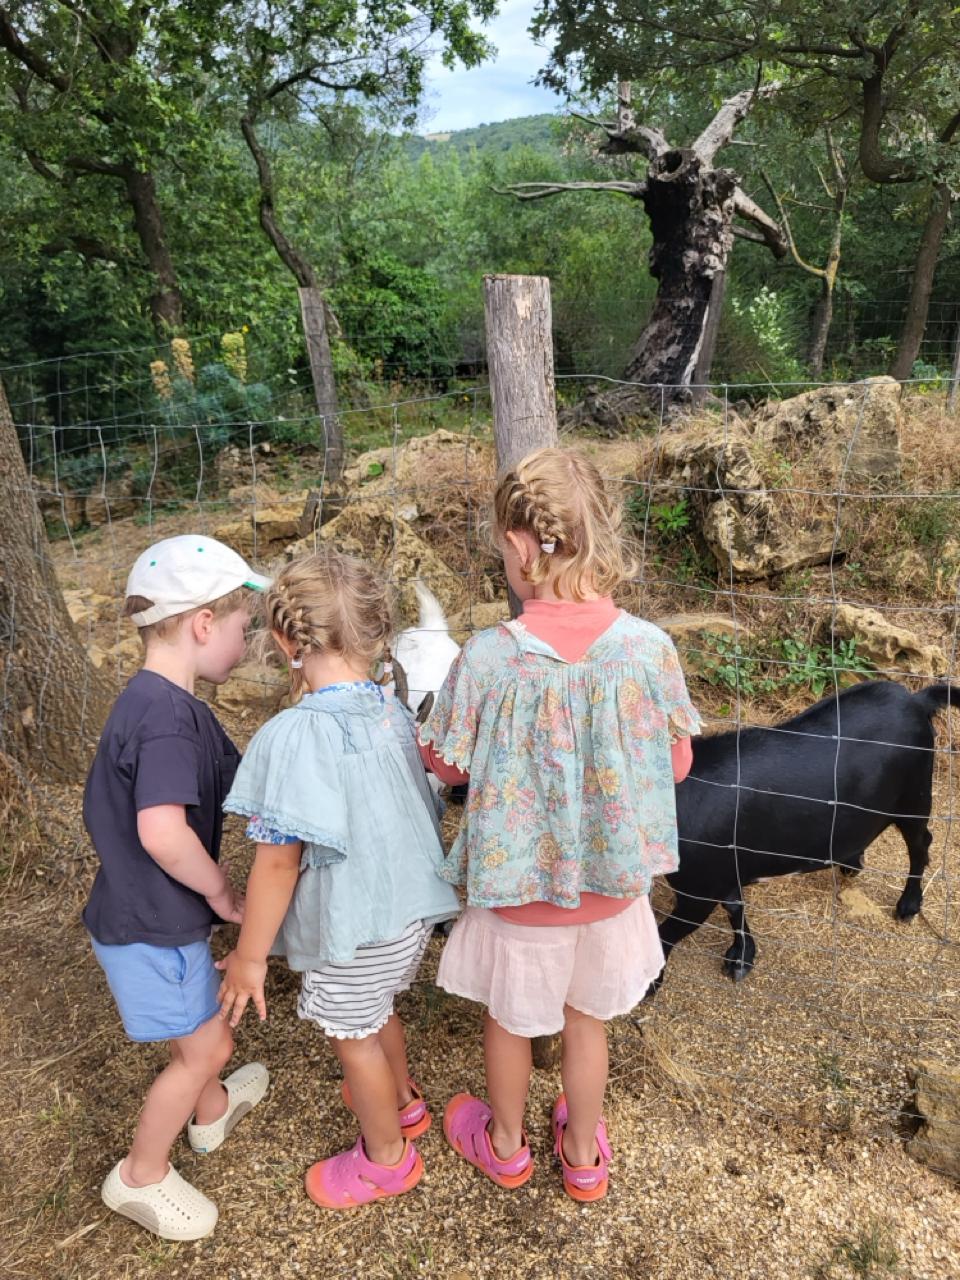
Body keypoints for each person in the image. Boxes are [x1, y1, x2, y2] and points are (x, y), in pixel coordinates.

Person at [418, 447, 700, 1202]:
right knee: (586, 1022)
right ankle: (581, 1155)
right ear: (602, 533)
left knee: (511, 1023)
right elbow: (675, 766)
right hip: (609, 889)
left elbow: (445, 766)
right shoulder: (649, 650)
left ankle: (505, 1145)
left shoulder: (487, 658)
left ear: (519, 547)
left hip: (519, 890)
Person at [215, 548, 459, 1210]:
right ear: (376, 634)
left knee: (353, 1040)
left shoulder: (293, 736)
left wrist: (249, 957)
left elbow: (277, 860)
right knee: (376, 1013)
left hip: (356, 928)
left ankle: (386, 1158)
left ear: (285, 640)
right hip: (411, 915)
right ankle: (402, 1100)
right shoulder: (395, 713)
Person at [83, 534, 272, 1240]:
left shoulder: (152, 700)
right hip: (152, 926)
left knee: (200, 1036)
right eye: (241, 628)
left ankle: (211, 1108)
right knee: (205, 1048)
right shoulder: (166, 719)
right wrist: (223, 893)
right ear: (201, 624)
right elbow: (163, 833)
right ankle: (140, 1175)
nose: (244, 641)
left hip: (148, 918)